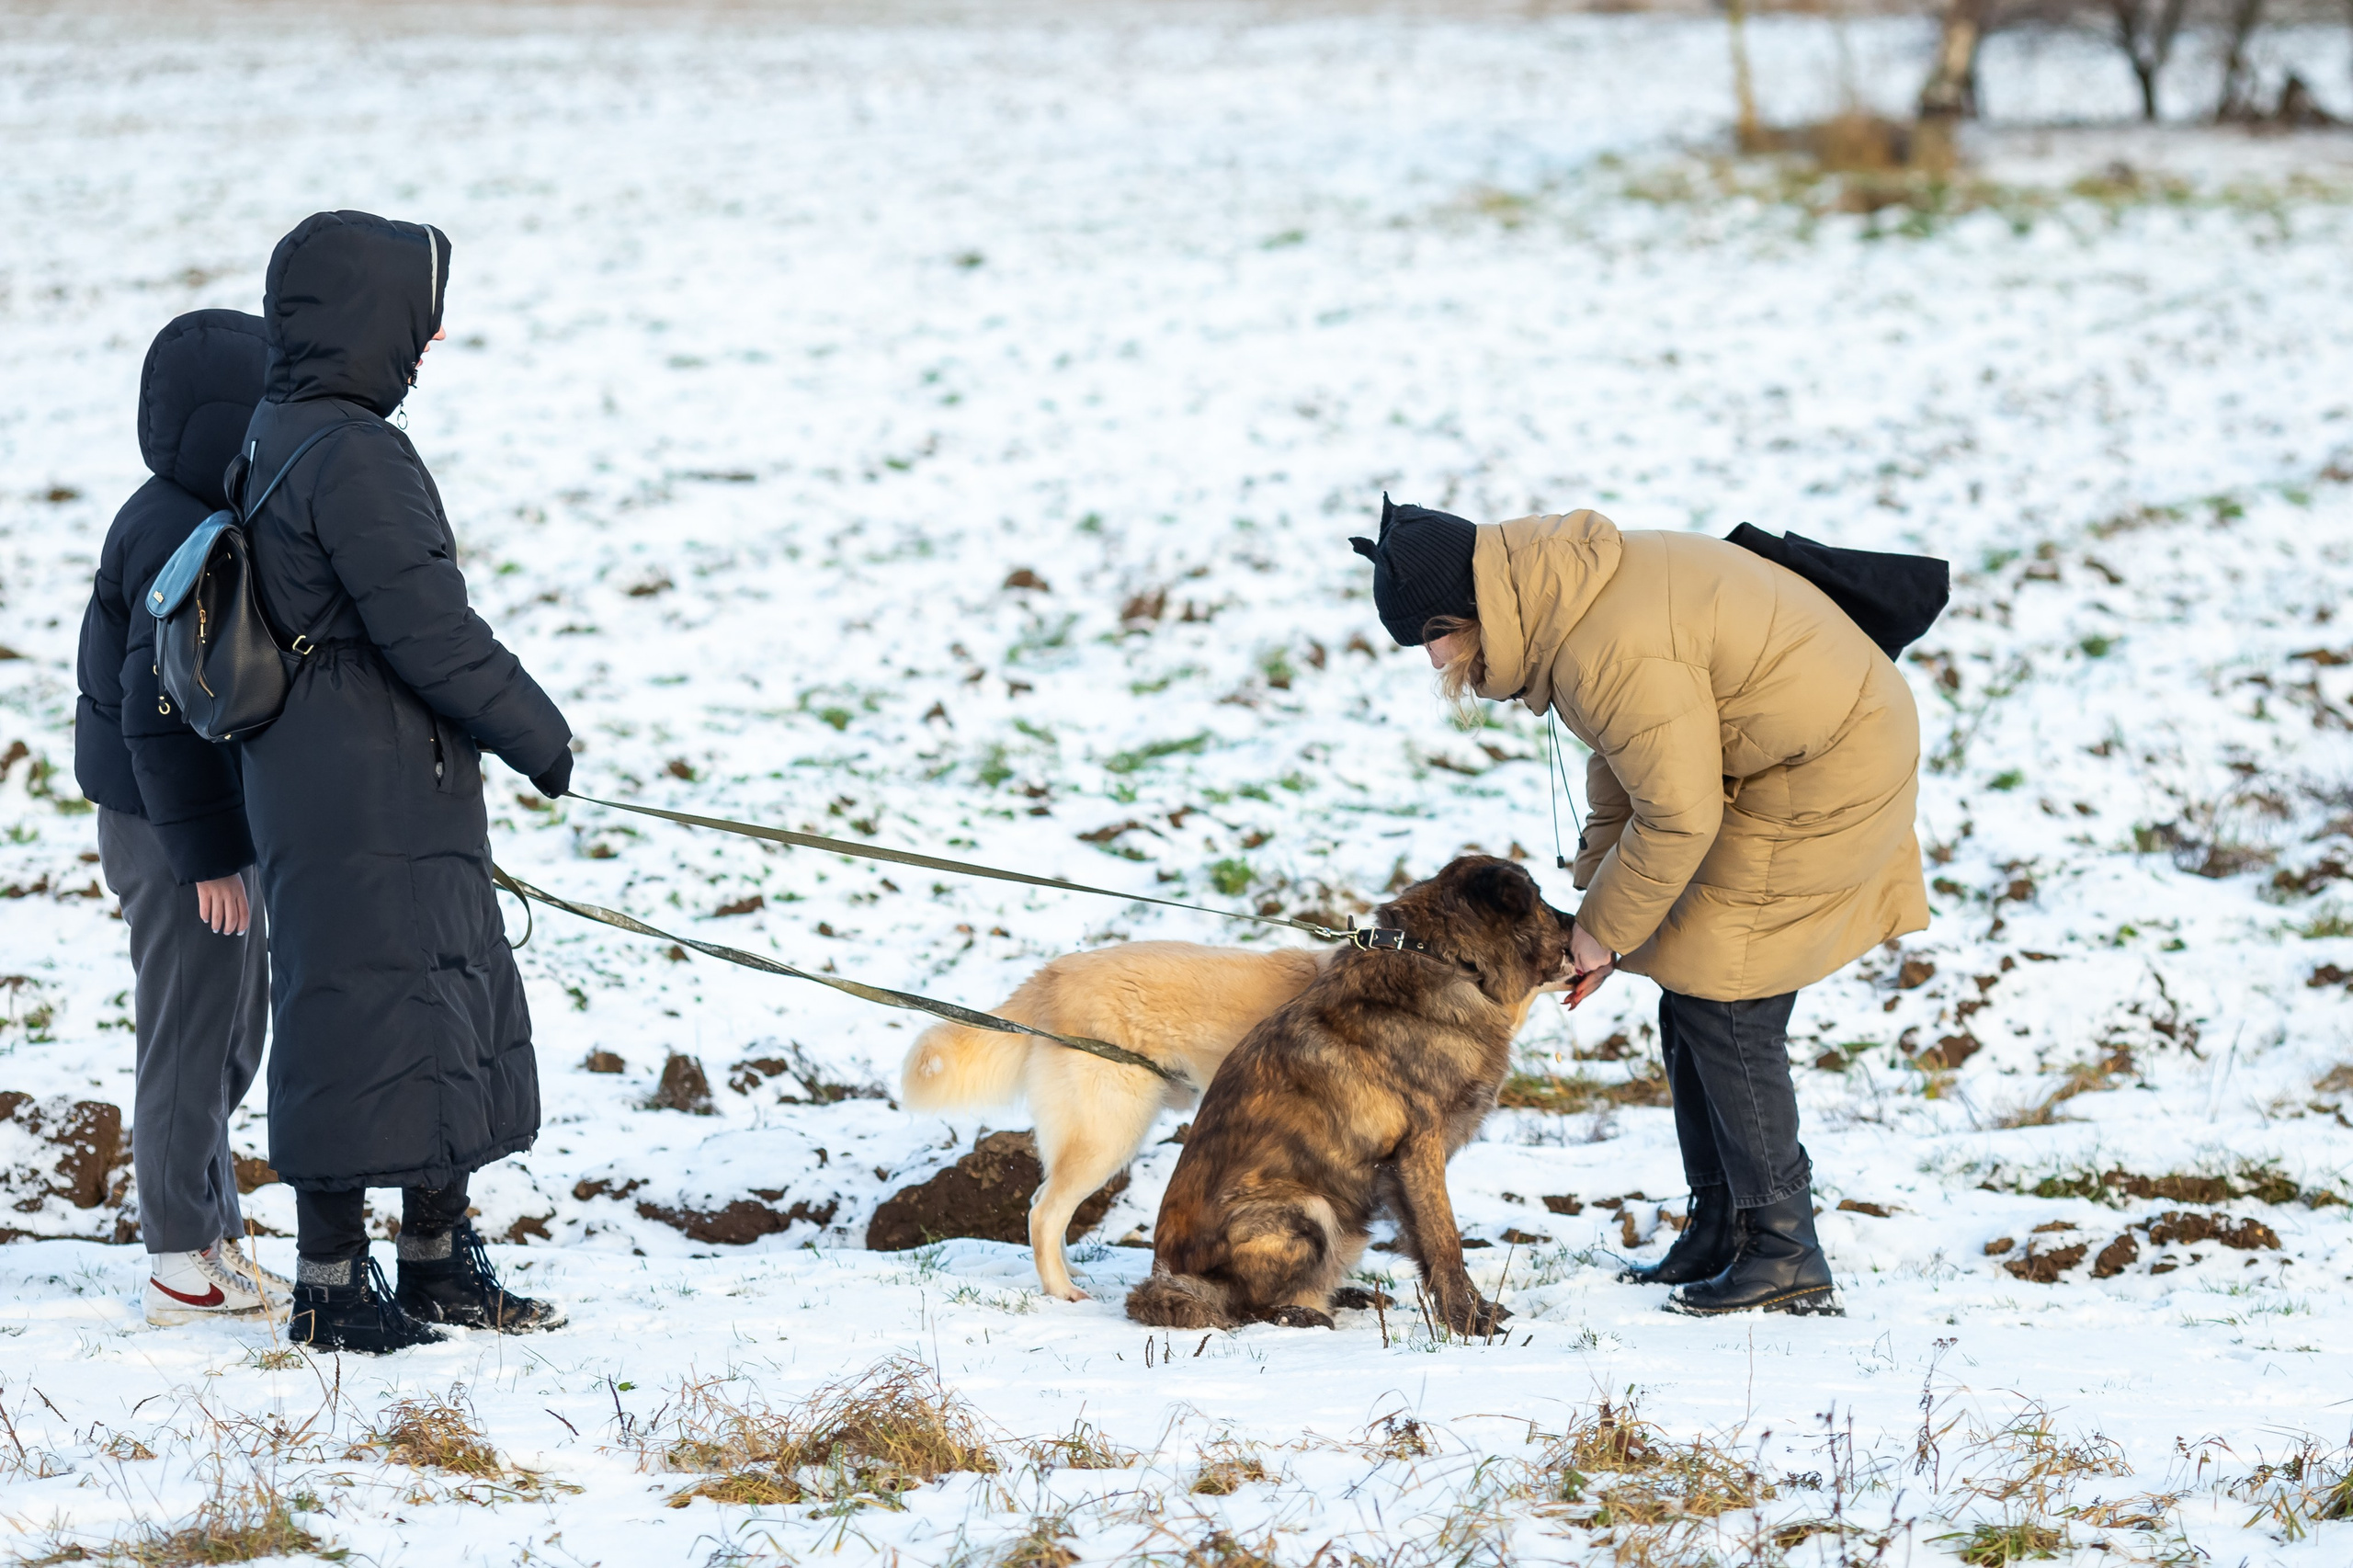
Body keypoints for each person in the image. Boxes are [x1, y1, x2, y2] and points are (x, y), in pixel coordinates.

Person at [1351, 497, 1928, 1316]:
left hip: (1826, 771)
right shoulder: (1568, 602)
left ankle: (1785, 1250)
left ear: (1469, 613)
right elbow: (1633, 770)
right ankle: (1721, 1224)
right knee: (1690, 995)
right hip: (1772, 760)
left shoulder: (1606, 646)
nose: (1433, 660)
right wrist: (1598, 917)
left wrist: (1602, 933)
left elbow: (1679, 811)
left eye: (1429, 639)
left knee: (1730, 1001)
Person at [239, 210, 575, 1352]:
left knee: (422, 996)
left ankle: (432, 1260)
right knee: (367, 1008)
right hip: (369, 772)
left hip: (340, 767)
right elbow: (429, 626)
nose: (427, 346)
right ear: (369, 319)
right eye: (418, 321)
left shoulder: (280, 426)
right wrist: (541, 734)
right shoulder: (352, 452)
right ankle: (331, 1287)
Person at [74, 309, 283, 1327]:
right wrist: (207, 853)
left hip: (200, 823)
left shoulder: (200, 509)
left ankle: (215, 1231)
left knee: (233, 1032)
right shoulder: (173, 528)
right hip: (169, 830)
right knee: (190, 1036)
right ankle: (176, 1257)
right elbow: (153, 711)